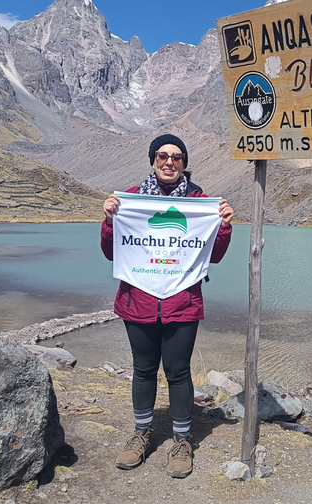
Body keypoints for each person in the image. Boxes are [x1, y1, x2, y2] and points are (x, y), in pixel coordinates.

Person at [100, 133, 234, 478]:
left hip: (182, 301)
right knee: (143, 369)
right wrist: (110, 220)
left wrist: (223, 226)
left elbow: (214, 256)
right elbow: (111, 251)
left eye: (177, 156)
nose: (170, 161)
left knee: (178, 371)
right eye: (163, 155)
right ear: (153, 160)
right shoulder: (129, 199)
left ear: (185, 163)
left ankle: (182, 440)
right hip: (138, 299)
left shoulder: (199, 202)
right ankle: (142, 433)